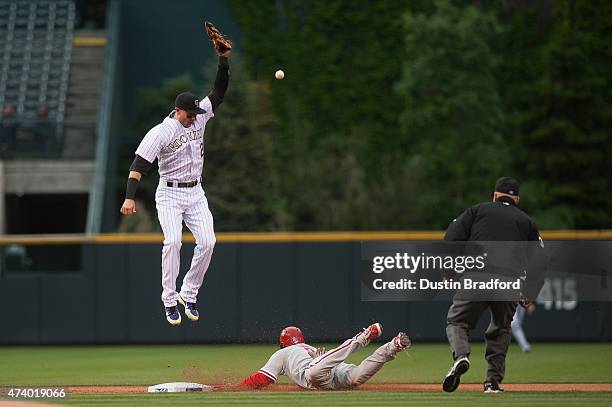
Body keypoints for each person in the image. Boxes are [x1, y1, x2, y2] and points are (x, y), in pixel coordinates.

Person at [119, 28, 230, 326]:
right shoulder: (161, 132)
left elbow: (218, 92)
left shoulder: (199, 114)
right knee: (173, 243)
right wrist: (129, 197)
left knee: (208, 242)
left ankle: (188, 294)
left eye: (196, 113)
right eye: (190, 114)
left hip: (196, 193)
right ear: (178, 110)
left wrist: (223, 61)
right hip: (169, 194)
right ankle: (169, 301)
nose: (195, 117)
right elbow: (139, 164)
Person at [442, 177, 545, 393]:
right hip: (509, 281)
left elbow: (452, 237)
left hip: (476, 276)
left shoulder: (477, 211)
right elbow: (539, 260)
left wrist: (449, 273)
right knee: (501, 329)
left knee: (458, 322)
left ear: (495, 196)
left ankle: (461, 356)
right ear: (516, 198)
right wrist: (530, 291)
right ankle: (492, 382)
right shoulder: (527, 221)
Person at [239, 323, 411, 390]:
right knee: (356, 378)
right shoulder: (308, 348)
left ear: (283, 343)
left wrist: (238, 387)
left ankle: (362, 338)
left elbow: (262, 378)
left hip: (316, 374)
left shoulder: (282, 353)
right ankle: (392, 347)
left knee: (313, 371)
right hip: (331, 374)